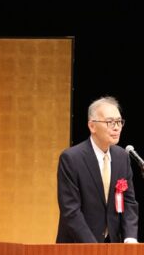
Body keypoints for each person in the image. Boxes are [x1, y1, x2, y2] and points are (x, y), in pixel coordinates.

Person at [56, 96, 139, 243]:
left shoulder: (122, 157)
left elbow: (129, 202)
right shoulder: (71, 158)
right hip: (78, 246)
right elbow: (70, 210)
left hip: (113, 244)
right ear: (92, 126)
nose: (116, 127)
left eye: (119, 122)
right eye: (110, 122)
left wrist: (130, 237)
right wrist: (94, 247)